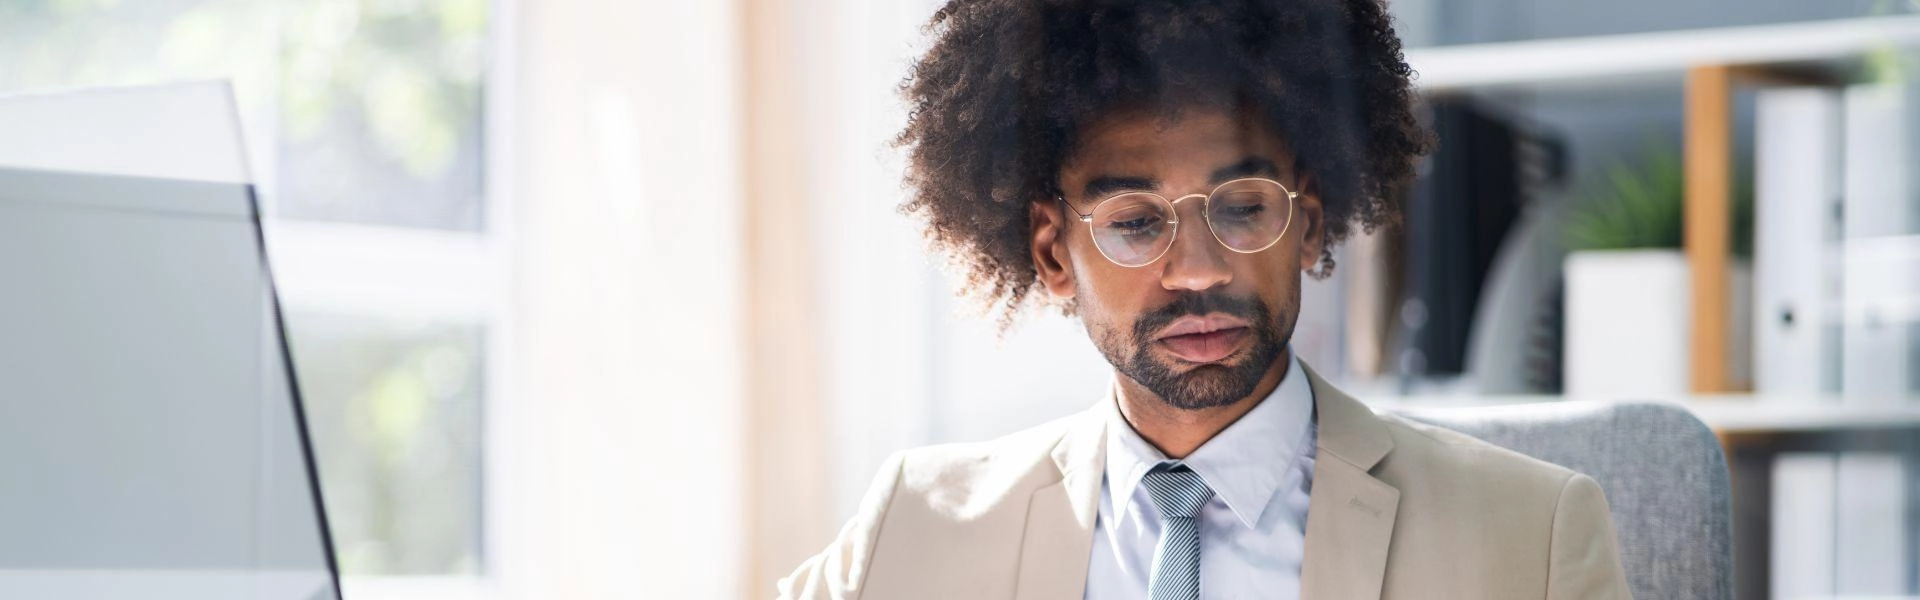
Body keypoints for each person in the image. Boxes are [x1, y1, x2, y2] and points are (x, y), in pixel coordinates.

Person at [778, 0, 1631, 598]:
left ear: (1309, 221)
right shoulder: (918, 528)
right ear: (1052, 252)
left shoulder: (1533, 536)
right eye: (1136, 222)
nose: (1197, 271)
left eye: (1243, 208)